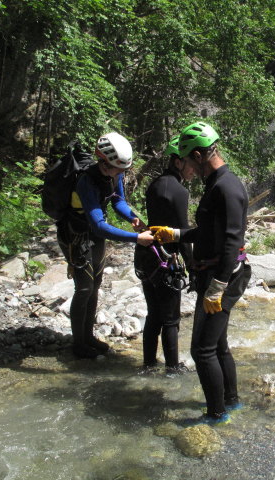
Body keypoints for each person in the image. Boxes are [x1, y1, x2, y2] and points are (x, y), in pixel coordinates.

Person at [151, 122, 251, 425]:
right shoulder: (217, 184)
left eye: (190, 161)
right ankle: (230, 402)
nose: (190, 169)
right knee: (217, 344)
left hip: (224, 275)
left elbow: (234, 238)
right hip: (219, 272)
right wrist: (176, 234)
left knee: (202, 349)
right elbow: (208, 232)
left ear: (198, 154)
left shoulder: (226, 187)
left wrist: (218, 286)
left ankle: (216, 415)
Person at [58, 132, 155, 359]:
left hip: (93, 234)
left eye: (123, 170)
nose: (121, 173)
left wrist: (132, 217)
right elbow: (100, 225)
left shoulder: (114, 172)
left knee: (96, 284)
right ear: (103, 161)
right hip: (74, 235)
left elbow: (118, 200)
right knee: (83, 287)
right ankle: (78, 343)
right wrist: (136, 239)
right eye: (117, 169)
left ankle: (89, 336)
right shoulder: (86, 181)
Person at [134, 135, 196, 375]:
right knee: (170, 318)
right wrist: (191, 265)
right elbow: (181, 233)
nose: (194, 170)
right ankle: (173, 368)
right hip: (165, 258)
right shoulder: (179, 191)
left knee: (153, 314)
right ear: (178, 162)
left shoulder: (155, 184)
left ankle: (148, 364)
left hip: (146, 254)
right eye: (190, 164)